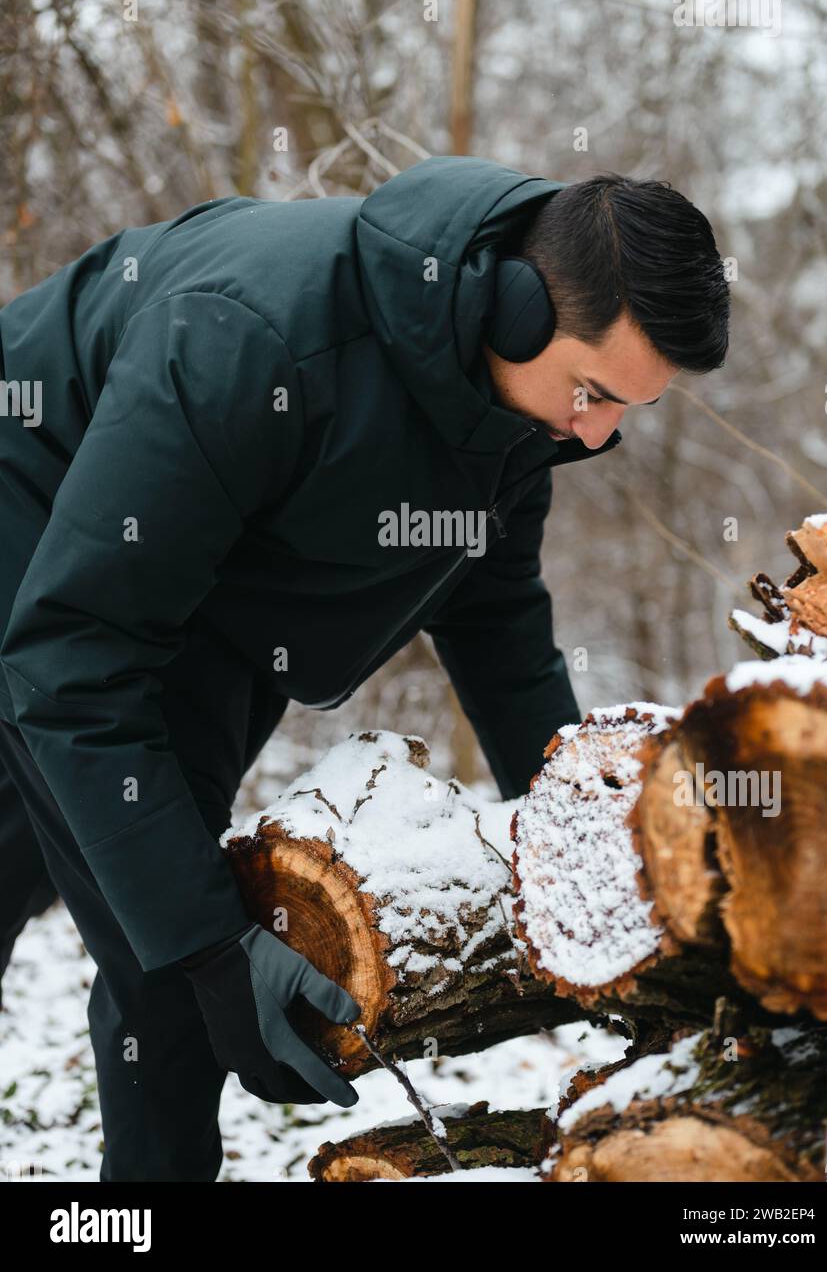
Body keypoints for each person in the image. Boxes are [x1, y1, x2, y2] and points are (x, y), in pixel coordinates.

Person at [0, 155, 729, 1180]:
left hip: (204, 581)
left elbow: (499, 623)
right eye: (595, 391)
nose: (597, 433)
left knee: (136, 891)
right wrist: (208, 948)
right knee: (173, 949)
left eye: (628, 411)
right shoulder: (251, 338)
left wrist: (576, 843)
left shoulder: (522, 414)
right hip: (36, 498)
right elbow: (74, 650)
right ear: (516, 308)